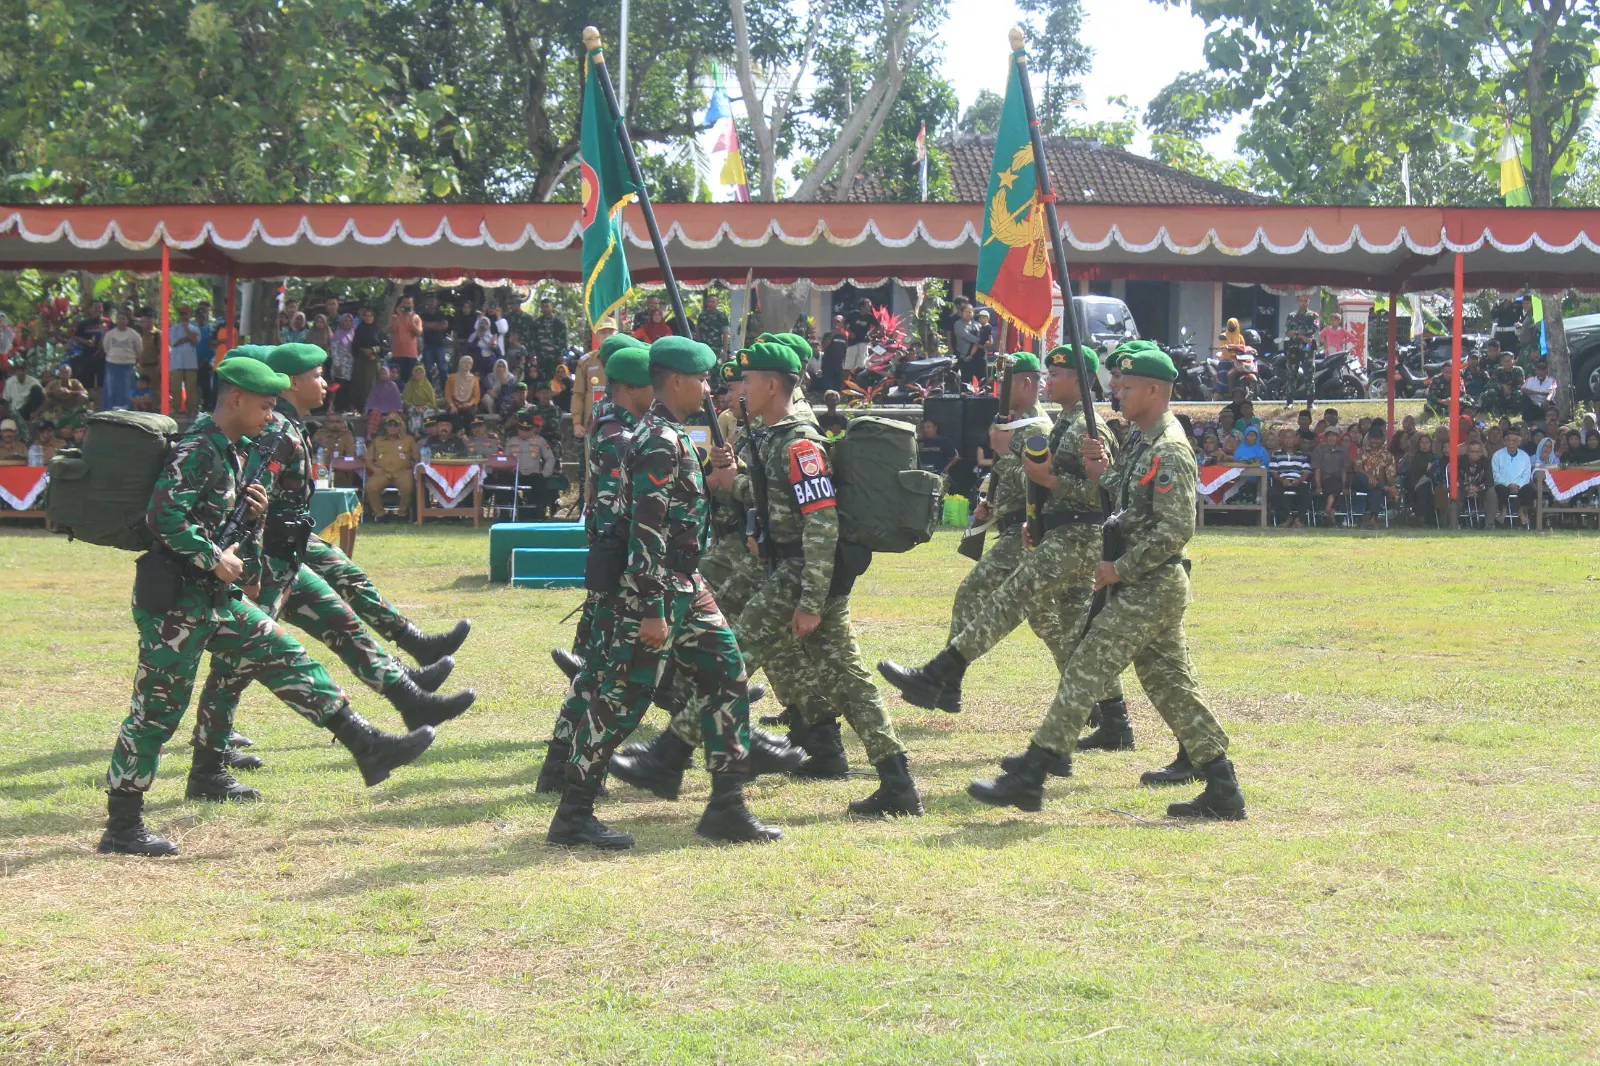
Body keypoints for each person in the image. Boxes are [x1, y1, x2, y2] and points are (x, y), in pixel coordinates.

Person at [96, 355, 437, 857]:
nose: (270, 414)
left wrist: (252, 517)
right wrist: (214, 558)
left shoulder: (235, 450)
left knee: (285, 653)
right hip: (175, 605)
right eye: (263, 405)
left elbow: (217, 519)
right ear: (235, 399)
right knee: (156, 713)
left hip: (217, 598)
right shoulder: (198, 449)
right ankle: (122, 826)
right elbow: (163, 518)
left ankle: (368, 746)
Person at [968, 345, 1246, 820]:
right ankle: (1223, 786)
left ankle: (1032, 773)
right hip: (1143, 580)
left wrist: (1121, 568)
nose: (1117, 392)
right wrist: (1105, 476)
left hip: (1150, 581)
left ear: (1155, 391)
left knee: (1086, 665)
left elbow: (1175, 529)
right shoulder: (1141, 439)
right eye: (1117, 384)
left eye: (1127, 386)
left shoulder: (1169, 448)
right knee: (1169, 684)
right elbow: (1132, 500)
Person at [187, 345, 473, 786]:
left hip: (285, 557)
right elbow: (243, 507)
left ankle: (410, 698)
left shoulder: (284, 426)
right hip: (263, 563)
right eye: (317, 375)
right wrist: (253, 571)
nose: (325, 384)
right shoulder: (273, 430)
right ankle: (209, 765)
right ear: (292, 382)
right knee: (237, 661)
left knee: (340, 619)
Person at [552, 334, 779, 850]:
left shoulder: (671, 436)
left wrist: (716, 478)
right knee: (622, 700)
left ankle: (727, 807)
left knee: (728, 675)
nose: (708, 388)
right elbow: (646, 531)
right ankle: (573, 814)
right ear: (676, 381)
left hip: (686, 584)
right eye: (700, 378)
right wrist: (652, 608)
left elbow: (680, 512)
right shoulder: (657, 441)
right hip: (653, 589)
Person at [887, 344, 1143, 778]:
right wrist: (1035, 515)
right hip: (1058, 532)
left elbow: (1102, 491)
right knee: (1069, 631)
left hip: (1079, 535)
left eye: (1056, 375)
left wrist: (1046, 479)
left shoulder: (1089, 426)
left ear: (1080, 380)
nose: (1048, 382)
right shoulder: (1067, 423)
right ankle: (1114, 720)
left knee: (1012, 597)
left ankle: (941, 674)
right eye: (1047, 374)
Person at [706, 337, 922, 818]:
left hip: (806, 575)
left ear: (771, 385)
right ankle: (895, 782)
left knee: (735, 661)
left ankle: (674, 758)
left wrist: (810, 601)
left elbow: (822, 524)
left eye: (746, 380)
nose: (738, 388)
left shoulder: (801, 443)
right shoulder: (767, 435)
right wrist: (733, 483)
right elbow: (773, 502)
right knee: (847, 680)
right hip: (791, 570)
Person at [879, 353, 1052, 716]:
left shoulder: (1037, 429)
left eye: (1005, 383)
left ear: (1025, 383)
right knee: (1054, 623)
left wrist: (1003, 453)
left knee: (975, 591)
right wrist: (991, 505)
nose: (999, 391)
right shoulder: (1015, 424)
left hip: (1027, 531)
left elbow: (1039, 481)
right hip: (1012, 525)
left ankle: (945, 682)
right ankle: (1105, 705)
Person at [502, 409, 559, 518]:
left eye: (527, 430)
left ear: (532, 429)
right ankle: (514, 510)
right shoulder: (511, 441)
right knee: (504, 482)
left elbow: (550, 458)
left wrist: (545, 473)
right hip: (516, 474)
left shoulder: (540, 441)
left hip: (534, 474)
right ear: (517, 429)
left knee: (540, 485)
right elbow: (505, 458)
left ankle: (537, 514)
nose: (524, 432)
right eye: (522, 429)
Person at [365, 411, 419, 519]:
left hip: (403, 472)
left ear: (400, 426)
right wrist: (374, 469)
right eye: (390, 424)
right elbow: (368, 459)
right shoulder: (377, 441)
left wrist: (411, 468)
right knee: (370, 487)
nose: (393, 427)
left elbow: (417, 458)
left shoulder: (409, 440)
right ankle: (380, 515)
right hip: (382, 472)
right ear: (385, 427)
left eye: (396, 424)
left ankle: (402, 514)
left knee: (408, 487)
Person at [571, 318, 615, 436]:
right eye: (603, 332)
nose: (607, 336)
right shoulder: (586, 361)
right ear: (597, 335)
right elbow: (578, 394)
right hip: (593, 422)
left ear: (617, 334)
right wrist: (577, 423)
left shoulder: (625, 359)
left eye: (610, 332)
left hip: (620, 420)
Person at [1351, 432, 1398, 526]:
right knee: (1359, 475)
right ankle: (1381, 487)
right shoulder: (1361, 451)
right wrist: (1369, 477)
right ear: (1369, 439)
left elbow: (1391, 475)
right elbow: (1356, 468)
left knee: (1376, 490)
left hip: (1378, 485)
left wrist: (1390, 485)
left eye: (1378, 438)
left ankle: (1373, 519)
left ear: (1383, 440)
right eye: (1373, 438)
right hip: (1361, 483)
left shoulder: (1388, 455)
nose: (1375, 441)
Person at [1283, 290, 1320, 410]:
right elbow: (1288, 332)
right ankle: (1289, 403)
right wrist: (1302, 336)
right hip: (1293, 349)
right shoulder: (1291, 315)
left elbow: (1313, 330)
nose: (1303, 303)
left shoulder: (1313, 315)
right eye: (1301, 300)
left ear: (1309, 301)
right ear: (1297, 301)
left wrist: (1297, 333)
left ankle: (1310, 403)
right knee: (1291, 376)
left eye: (1305, 300)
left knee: (1309, 376)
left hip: (1307, 350)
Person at [99, 309, 142, 411]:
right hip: (112, 365)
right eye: (119, 319)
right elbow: (106, 348)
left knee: (127, 389)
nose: (121, 321)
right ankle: (109, 410)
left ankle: (127, 410)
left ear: (127, 321)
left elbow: (139, 349)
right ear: (116, 321)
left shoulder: (134, 334)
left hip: (127, 366)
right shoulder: (110, 334)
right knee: (111, 388)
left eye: (123, 319)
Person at [1268, 429, 1312, 527]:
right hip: (1282, 480)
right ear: (1282, 440)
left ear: (1295, 439)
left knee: (1307, 494)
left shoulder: (1302, 455)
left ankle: (1299, 519)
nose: (1289, 440)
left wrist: (1299, 480)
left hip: (1298, 480)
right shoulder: (1276, 454)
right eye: (1286, 437)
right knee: (1274, 493)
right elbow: (1274, 473)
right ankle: (1286, 518)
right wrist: (1282, 480)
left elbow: (1306, 472)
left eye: (1291, 437)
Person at [1491, 428, 1534, 528]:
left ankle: (1521, 511)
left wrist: (1518, 485)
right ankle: (1503, 510)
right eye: (1509, 440)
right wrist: (1509, 484)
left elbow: (1527, 474)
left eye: (1514, 440)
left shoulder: (1524, 456)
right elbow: (1496, 473)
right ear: (1505, 442)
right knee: (1500, 489)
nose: (1511, 443)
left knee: (1529, 489)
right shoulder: (1497, 455)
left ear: (1519, 442)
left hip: (1519, 485)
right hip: (1503, 484)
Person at [1311, 425, 1353, 523]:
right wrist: (1318, 486)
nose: (1331, 438)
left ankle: (1328, 511)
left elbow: (1344, 470)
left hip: (1337, 480)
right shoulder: (1319, 449)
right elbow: (1317, 469)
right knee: (1333, 484)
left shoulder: (1343, 451)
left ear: (1337, 438)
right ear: (1325, 437)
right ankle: (1330, 512)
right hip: (1321, 479)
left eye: (1334, 436)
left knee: (1335, 484)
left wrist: (1345, 487)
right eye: (1329, 436)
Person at [1450, 439, 1494, 527]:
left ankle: (1489, 525)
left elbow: (1489, 480)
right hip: (1463, 488)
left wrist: (1477, 488)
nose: (1474, 454)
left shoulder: (1486, 462)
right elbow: (1456, 478)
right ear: (1467, 452)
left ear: (1481, 453)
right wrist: (1467, 488)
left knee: (1491, 492)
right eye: (1472, 451)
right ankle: (1453, 525)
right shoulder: (1460, 461)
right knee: (1454, 492)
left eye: (1477, 452)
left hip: (1480, 489)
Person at [168, 306, 201, 416]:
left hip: (190, 362)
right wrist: (186, 339)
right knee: (175, 387)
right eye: (181, 314)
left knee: (191, 387)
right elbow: (173, 343)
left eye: (185, 314)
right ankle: (176, 409)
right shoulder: (174, 328)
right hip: (176, 362)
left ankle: (191, 409)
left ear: (190, 315)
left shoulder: (194, 329)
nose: (183, 316)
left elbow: (195, 341)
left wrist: (187, 329)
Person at [349, 307, 383, 413]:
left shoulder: (378, 330)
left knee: (372, 383)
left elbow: (384, 345)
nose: (368, 318)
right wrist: (363, 350)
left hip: (374, 361)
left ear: (374, 317)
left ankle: (374, 408)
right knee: (360, 384)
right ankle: (360, 408)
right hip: (361, 361)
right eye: (365, 315)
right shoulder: (359, 329)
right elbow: (355, 345)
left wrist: (373, 349)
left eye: (370, 315)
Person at [386, 297, 422, 386]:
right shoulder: (394, 317)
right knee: (397, 380)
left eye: (409, 303)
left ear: (412, 305)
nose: (407, 305)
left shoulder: (416, 318)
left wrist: (410, 319)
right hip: (397, 353)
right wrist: (400, 316)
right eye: (405, 303)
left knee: (410, 380)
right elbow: (392, 330)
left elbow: (419, 333)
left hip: (411, 354)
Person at [419, 293, 451, 387]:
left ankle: (444, 389)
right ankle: (428, 389)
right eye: (430, 300)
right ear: (426, 302)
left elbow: (444, 325)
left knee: (443, 368)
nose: (432, 302)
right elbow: (422, 326)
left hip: (439, 345)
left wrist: (429, 325)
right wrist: (436, 325)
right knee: (428, 369)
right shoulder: (422, 314)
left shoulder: (440, 314)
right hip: (427, 344)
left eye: (434, 300)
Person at [951, 303, 986, 383]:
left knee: (981, 378)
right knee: (966, 379)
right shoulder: (958, 324)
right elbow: (966, 335)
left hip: (979, 356)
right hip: (965, 356)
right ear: (961, 313)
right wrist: (980, 341)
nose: (968, 314)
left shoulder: (977, 324)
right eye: (966, 312)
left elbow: (984, 336)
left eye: (970, 312)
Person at [328, 312, 356, 409]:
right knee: (339, 387)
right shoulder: (337, 334)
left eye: (350, 321)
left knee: (348, 387)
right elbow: (334, 351)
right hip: (340, 365)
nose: (348, 323)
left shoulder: (354, 333)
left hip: (351, 365)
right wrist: (337, 365)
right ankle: (337, 407)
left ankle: (346, 407)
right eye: (345, 321)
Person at [444, 355, 480, 427]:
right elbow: (447, 393)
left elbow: (476, 396)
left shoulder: (474, 379)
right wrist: (452, 405)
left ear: (471, 366)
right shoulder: (452, 377)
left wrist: (469, 404)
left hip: (468, 405)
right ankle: (457, 432)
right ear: (460, 364)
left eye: (469, 363)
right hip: (454, 403)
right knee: (454, 416)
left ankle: (468, 433)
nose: (467, 364)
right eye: (464, 362)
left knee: (470, 415)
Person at [844, 298, 875, 376]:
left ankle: (858, 381)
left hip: (863, 343)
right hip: (852, 343)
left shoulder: (870, 316)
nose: (869, 308)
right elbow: (844, 324)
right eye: (868, 306)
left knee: (861, 365)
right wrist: (850, 332)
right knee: (848, 366)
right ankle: (845, 382)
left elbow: (879, 326)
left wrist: (870, 333)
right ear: (862, 307)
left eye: (870, 306)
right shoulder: (853, 314)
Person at [694, 291, 730, 357]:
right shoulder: (702, 316)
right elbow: (698, 331)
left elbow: (725, 334)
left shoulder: (722, 316)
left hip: (716, 347)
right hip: (703, 347)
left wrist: (725, 351)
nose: (711, 303)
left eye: (713, 302)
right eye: (709, 301)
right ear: (706, 303)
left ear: (717, 303)